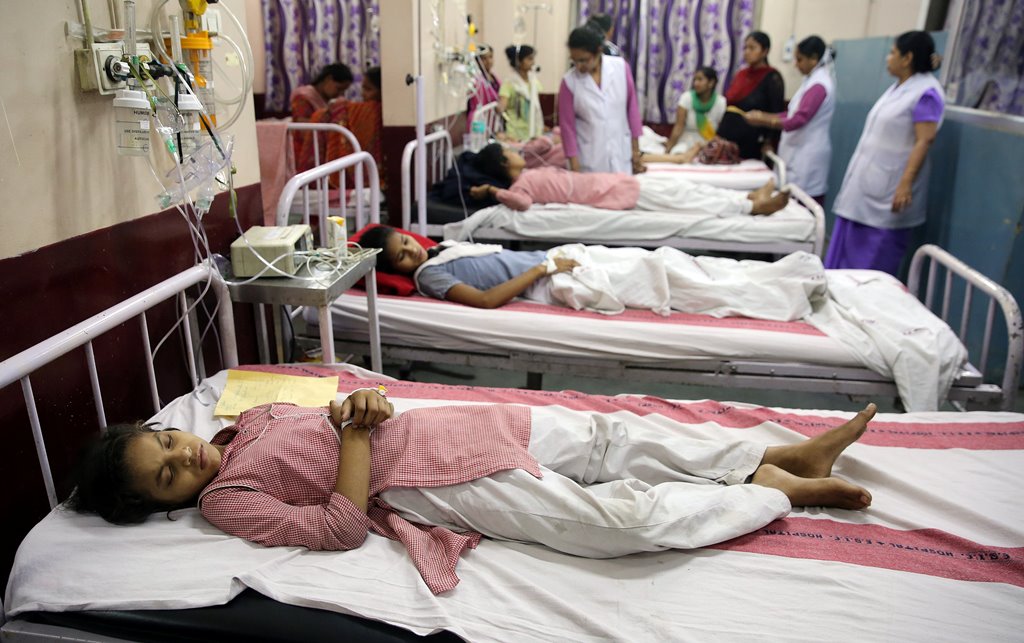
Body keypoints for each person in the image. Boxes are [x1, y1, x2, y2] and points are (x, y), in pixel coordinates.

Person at [67, 385, 876, 595]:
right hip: (432, 477)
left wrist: (356, 402)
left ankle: (782, 454)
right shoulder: (225, 502)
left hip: (449, 423)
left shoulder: (247, 417)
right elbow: (344, 523)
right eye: (167, 476)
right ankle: (773, 489)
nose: (186, 460)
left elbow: (331, 409)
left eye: (168, 441)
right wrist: (354, 431)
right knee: (606, 520)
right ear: (165, 505)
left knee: (611, 439)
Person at [825, 31, 944, 276]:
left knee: (870, 267)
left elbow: (925, 139)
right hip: (867, 188)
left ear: (907, 58)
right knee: (843, 266)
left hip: (889, 194)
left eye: (893, 53)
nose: (888, 58)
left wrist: (905, 183)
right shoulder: (900, 88)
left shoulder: (926, 93)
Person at [464, 142, 787, 214]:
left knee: (683, 187)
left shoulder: (533, 169)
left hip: (615, 182)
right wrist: (492, 190)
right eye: (509, 150)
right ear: (505, 162)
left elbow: (552, 144)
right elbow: (521, 203)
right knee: (683, 199)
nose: (515, 150)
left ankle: (745, 197)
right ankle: (751, 209)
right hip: (614, 195)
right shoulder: (522, 184)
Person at [742, 36, 836, 204]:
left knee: (802, 203)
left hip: (807, 156)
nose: (796, 64)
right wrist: (764, 116)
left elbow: (798, 120)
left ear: (814, 59)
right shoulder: (810, 82)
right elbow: (791, 114)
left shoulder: (819, 85)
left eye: (799, 60)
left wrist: (764, 120)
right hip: (797, 152)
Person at [559, 26, 644, 174]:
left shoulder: (620, 68)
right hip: (589, 160)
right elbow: (567, 128)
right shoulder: (569, 82)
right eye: (574, 61)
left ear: (598, 51)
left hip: (620, 154)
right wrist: (574, 166)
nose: (579, 66)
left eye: (583, 60)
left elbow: (632, 110)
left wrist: (635, 151)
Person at [306, 67, 384, 187]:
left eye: (368, 89)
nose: (363, 94)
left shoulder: (376, 112)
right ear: (328, 79)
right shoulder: (303, 96)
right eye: (363, 88)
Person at [716, 31, 785, 159]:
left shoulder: (772, 77)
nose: (747, 52)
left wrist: (768, 142)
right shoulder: (741, 75)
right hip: (726, 136)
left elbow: (777, 112)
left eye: (752, 48)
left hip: (751, 142)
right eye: (745, 48)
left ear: (765, 51)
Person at [640, 66, 727, 164]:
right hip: (687, 139)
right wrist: (668, 150)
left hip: (708, 141)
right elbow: (678, 127)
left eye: (700, 79)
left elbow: (722, 131)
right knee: (677, 151)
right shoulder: (687, 98)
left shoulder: (721, 102)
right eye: (695, 80)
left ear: (711, 83)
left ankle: (693, 154)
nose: (696, 83)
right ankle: (682, 156)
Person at [499, 44, 544, 142]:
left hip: (533, 130)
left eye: (533, 59)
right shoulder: (509, 83)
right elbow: (501, 108)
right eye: (529, 59)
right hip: (515, 134)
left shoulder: (534, 82)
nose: (533, 62)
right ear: (519, 61)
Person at [290, 63, 354, 122]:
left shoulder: (337, 100)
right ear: (328, 79)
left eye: (343, 90)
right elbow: (301, 123)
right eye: (339, 89)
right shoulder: (303, 97)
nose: (340, 94)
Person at [467, 44, 501, 127]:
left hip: (492, 120)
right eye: (484, 58)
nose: (488, 61)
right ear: (477, 60)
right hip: (479, 119)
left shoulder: (495, 79)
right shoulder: (476, 80)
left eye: (490, 57)